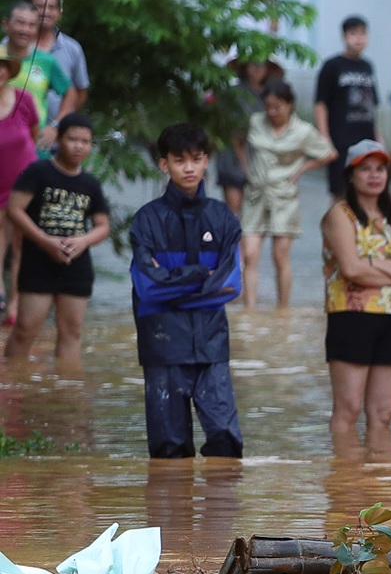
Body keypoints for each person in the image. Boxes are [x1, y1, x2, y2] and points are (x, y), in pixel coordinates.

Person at [128, 123, 245, 459]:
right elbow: (148, 288)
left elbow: (230, 285)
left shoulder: (223, 218)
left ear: (207, 160)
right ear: (164, 164)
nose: (189, 168)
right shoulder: (146, 221)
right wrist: (199, 276)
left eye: (196, 159)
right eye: (180, 160)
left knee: (226, 443)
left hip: (211, 346)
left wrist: (173, 282)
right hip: (162, 347)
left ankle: (220, 513)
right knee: (169, 452)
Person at [320, 139, 391, 440]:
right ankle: (346, 480)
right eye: (365, 169)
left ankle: (376, 484)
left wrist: (371, 264)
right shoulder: (339, 215)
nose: (374, 175)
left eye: (380, 169)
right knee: (348, 409)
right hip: (350, 316)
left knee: (383, 414)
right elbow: (351, 270)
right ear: (351, 175)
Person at [6, 113, 108, 368]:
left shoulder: (90, 183)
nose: (78, 146)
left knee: (72, 333)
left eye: (85, 141)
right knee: (25, 329)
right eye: (72, 139)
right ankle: (11, 387)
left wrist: (84, 241)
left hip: (77, 266)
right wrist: (44, 240)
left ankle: (67, 393)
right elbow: (14, 209)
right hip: (38, 262)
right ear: (59, 140)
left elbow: (102, 225)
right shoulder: (38, 172)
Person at [240, 81, 335, 308]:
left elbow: (329, 153)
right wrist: (246, 168)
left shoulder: (303, 131)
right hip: (255, 196)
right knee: (249, 255)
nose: (272, 112)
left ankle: (283, 310)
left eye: (277, 107)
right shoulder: (255, 122)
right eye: (268, 107)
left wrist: (301, 170)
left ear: (290, 105)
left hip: (284, 198)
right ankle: (249, 311)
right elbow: (237, 141)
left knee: (279, 257)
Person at [313, 16, 381, 198]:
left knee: (366, 192)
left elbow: (372, 108)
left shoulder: (368, 66)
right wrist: (325, 139)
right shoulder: (332, 66)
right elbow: (320, 104)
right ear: (344, 37)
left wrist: (379, 141)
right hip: (341, 142)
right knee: (341, 194)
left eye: (362, 33)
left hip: (366, 141)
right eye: (353, 34)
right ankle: (337, 227)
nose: (358, 38)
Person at [4, 0, 74, 153]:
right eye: (20, 23)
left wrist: (56, 125)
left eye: (31, 25)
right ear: (5, 24)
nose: (25, 29)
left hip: (34, 145)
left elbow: (70, 92)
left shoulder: (46, 61)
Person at [0, 52, 39, 325]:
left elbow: (34, 136)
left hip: (26, 182)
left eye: (2, 67)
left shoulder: (24, 99)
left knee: (21, 243)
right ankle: (1, 294)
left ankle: (14, 303)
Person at [216, 59, 275, 216]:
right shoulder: (233, 93)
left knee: (254, 215)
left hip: (261, 158)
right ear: (245, 67)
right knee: (233, 209)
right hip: (232, 159)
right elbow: (232, 131)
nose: (257, 69)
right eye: (253, 64)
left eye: (261, 65)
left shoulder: (272, 95)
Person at [29, 0, 87, 109]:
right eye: (39, 6)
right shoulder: (10, 44)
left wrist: (60, 122)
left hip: (57, 126)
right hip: (17, 125)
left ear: (59, 13)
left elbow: (80, 91)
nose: (45, 11)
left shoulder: (72, 48)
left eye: (52, 7)